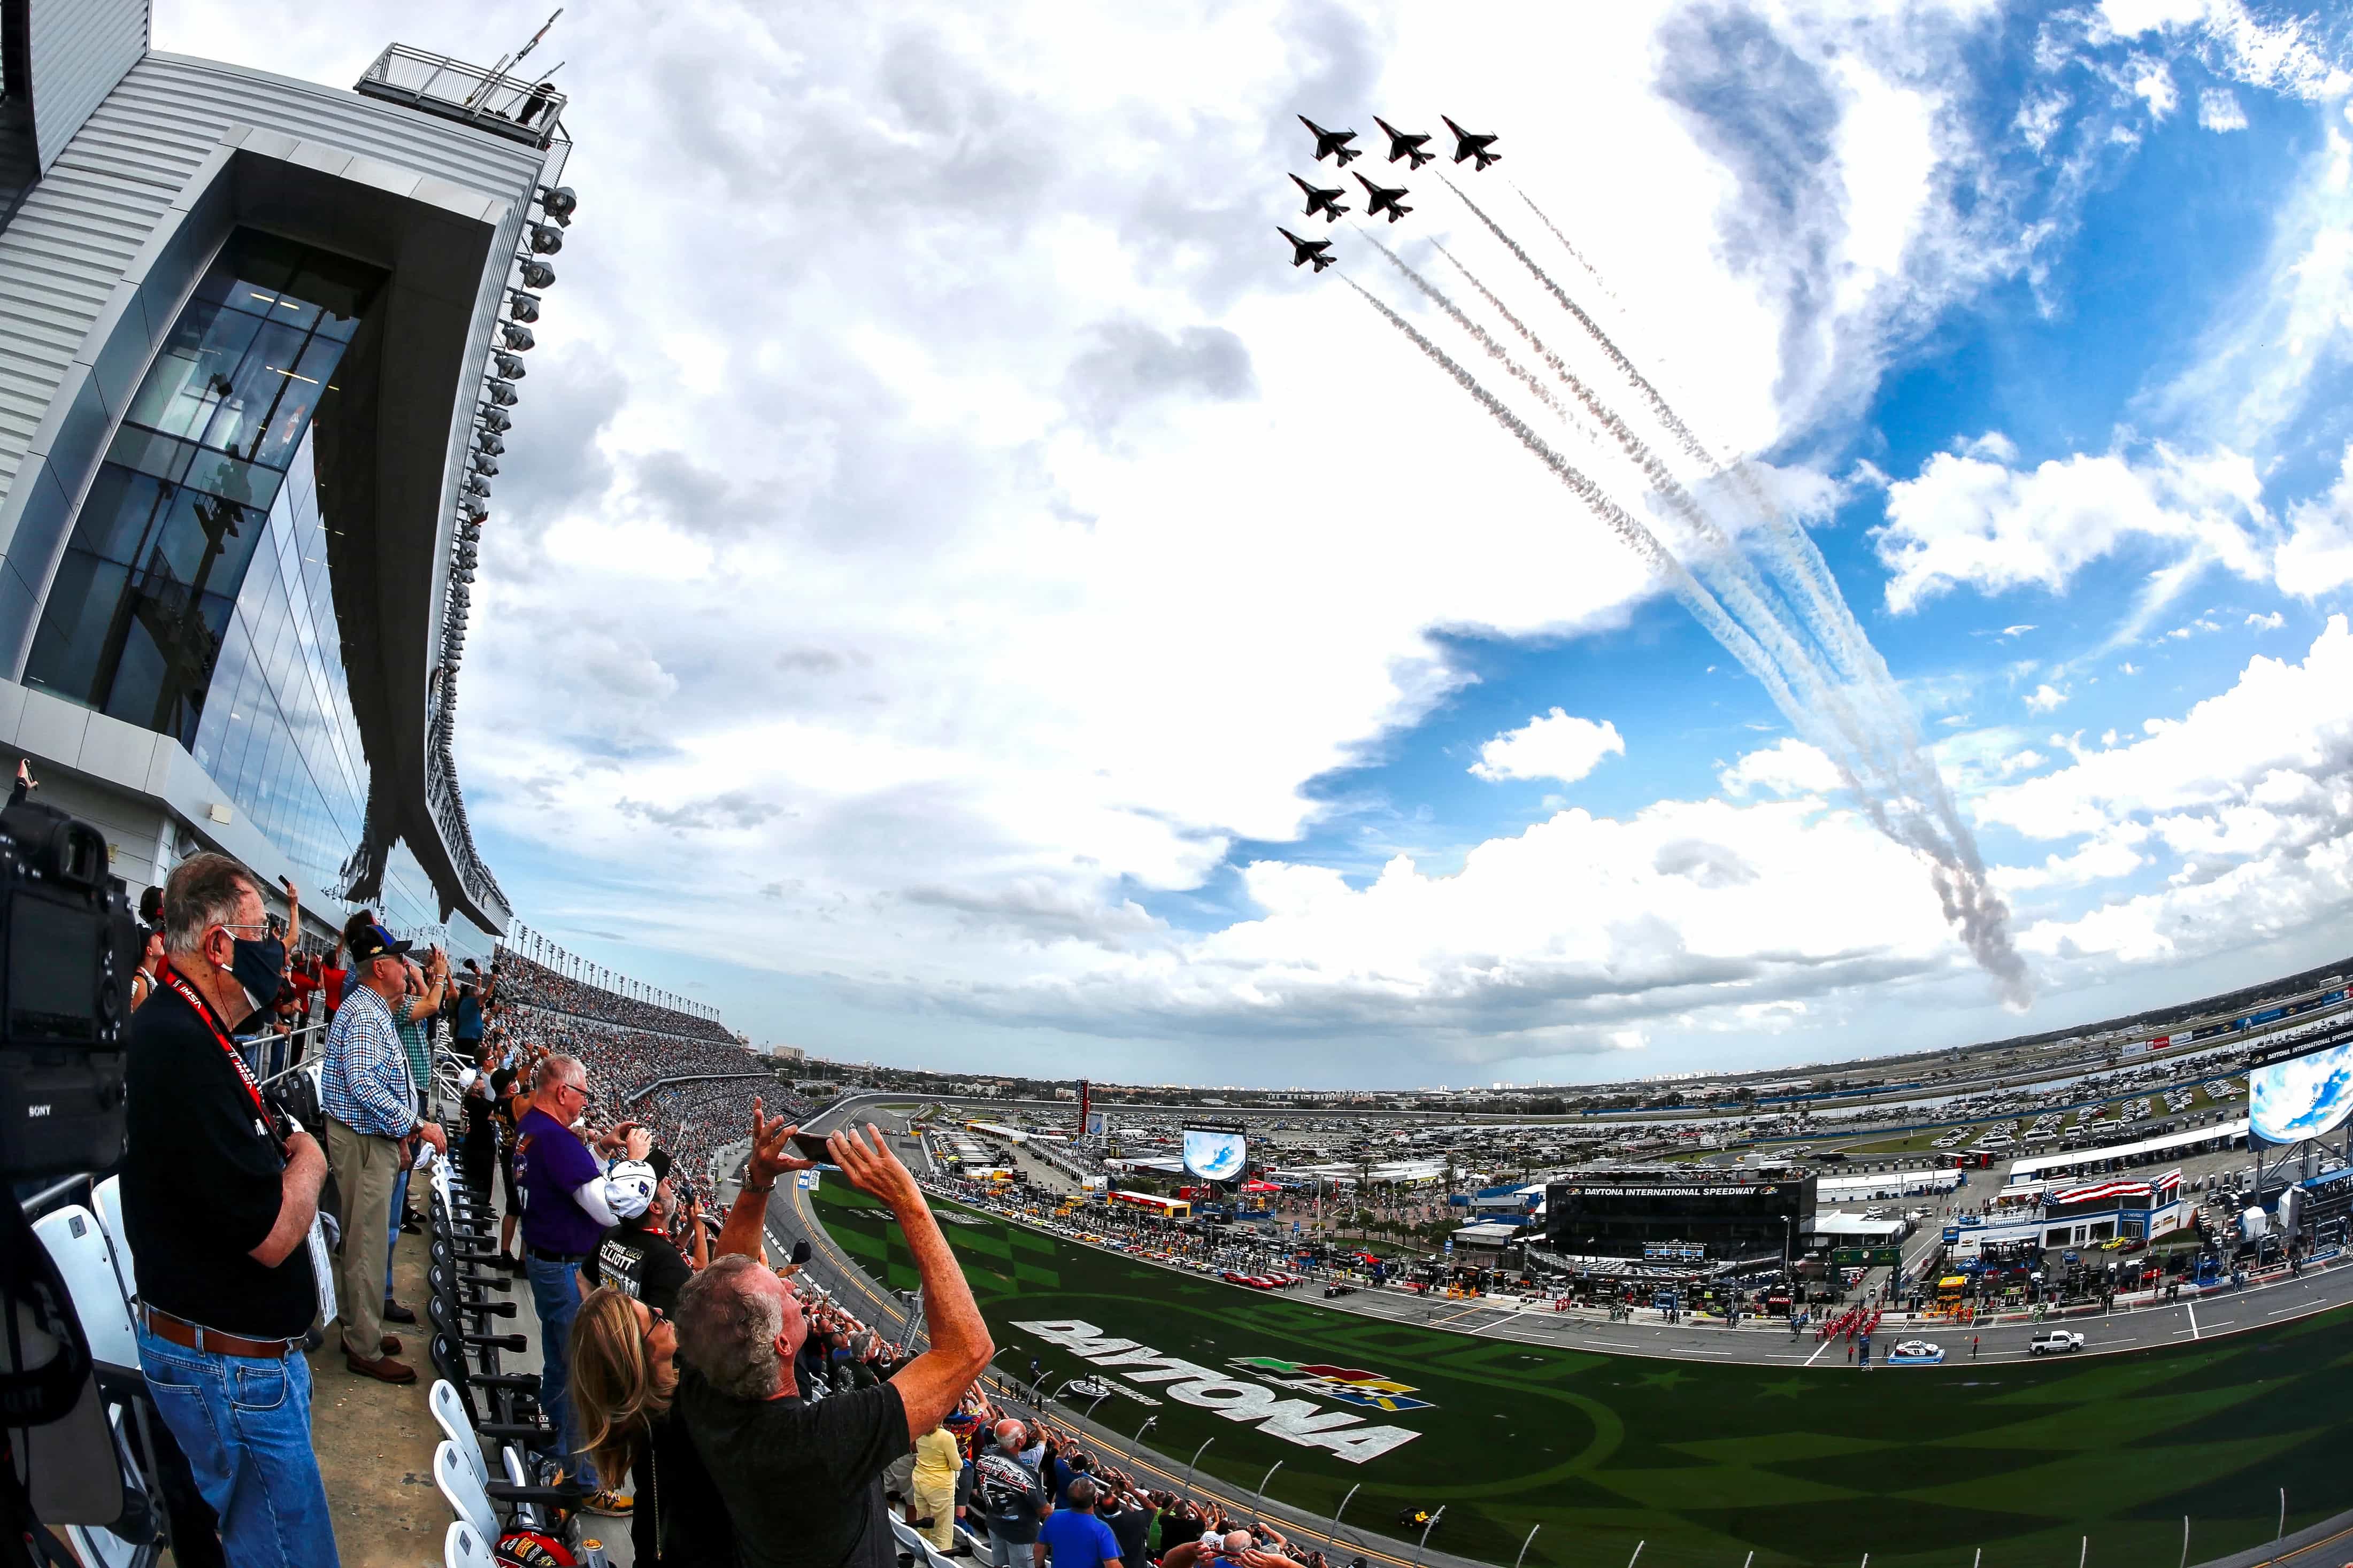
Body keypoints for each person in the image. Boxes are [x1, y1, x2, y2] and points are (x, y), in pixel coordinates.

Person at [119, 852, 338, 1566]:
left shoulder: (202, 1033)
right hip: (228, 1374)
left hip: (243, 1367)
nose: (278, 949)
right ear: (220, 944)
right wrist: (310, 1158)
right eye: (263, 931)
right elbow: (274, 1231)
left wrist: (291, 1151)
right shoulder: (177, 1043)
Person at [673, 1107, 995, 1568]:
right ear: (782, 1344)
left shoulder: (707, 1382)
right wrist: (909, 1202)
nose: (787, 1282)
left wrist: (759, 1179)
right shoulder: (819, 1442)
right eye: (780, 1290)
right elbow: (968, 1349)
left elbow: (729, 1281)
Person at [320, 923, 447, 1383]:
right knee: (368, 1243)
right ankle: (363, 1346)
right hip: (361, 1142)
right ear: (380, 967)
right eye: (399, 959)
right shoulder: (366, 1015)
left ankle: (361, 1328)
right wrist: (415, 1125)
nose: (406, 967)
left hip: (369, 1139)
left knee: (364, 1240)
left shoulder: (372, 1008)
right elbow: (364, 1083)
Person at [515, 1053, 632, 1508]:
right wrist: (634, 1162)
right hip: (565, 1266)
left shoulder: (533, 1128)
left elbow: (567, 1178)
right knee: (580, 1371)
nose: (585, 1100)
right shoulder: (557, 1139)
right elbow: (606, 1208)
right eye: (583, 1092)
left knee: (560, 1362)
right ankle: (583, 1479)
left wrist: (600, 1149)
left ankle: (555, 1446)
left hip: (545, 1260)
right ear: (564, 1092)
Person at [571, 1285, 735, 1567]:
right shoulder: (690, 1414)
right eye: (654, 1319)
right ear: (642, 1355)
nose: (661, 1311)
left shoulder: (641, 1414)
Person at [974, 1418, 1048, 1565]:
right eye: (1025, 1434)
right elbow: (1044, 1510)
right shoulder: (1025, 1473)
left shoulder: (984, 1457)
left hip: (995, 1523)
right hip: (1020, 1534)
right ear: (1019, 1441)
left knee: (1000, 1564)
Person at [1037, 1477, 1123, 1568]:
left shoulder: (1052, 1517)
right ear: (1096, 1499)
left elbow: (1039, 1549)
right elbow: (1113, 1565)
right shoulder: (1102, 1530)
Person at [909, 1416, 963, 1553]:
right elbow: (956, 1466)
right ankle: (940, 1558)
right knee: (942, 1529)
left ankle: (923, 1551)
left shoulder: (920, 1431)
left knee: (924, 1521)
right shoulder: (947, 1437)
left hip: (920, 1480)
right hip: (940, 1487)